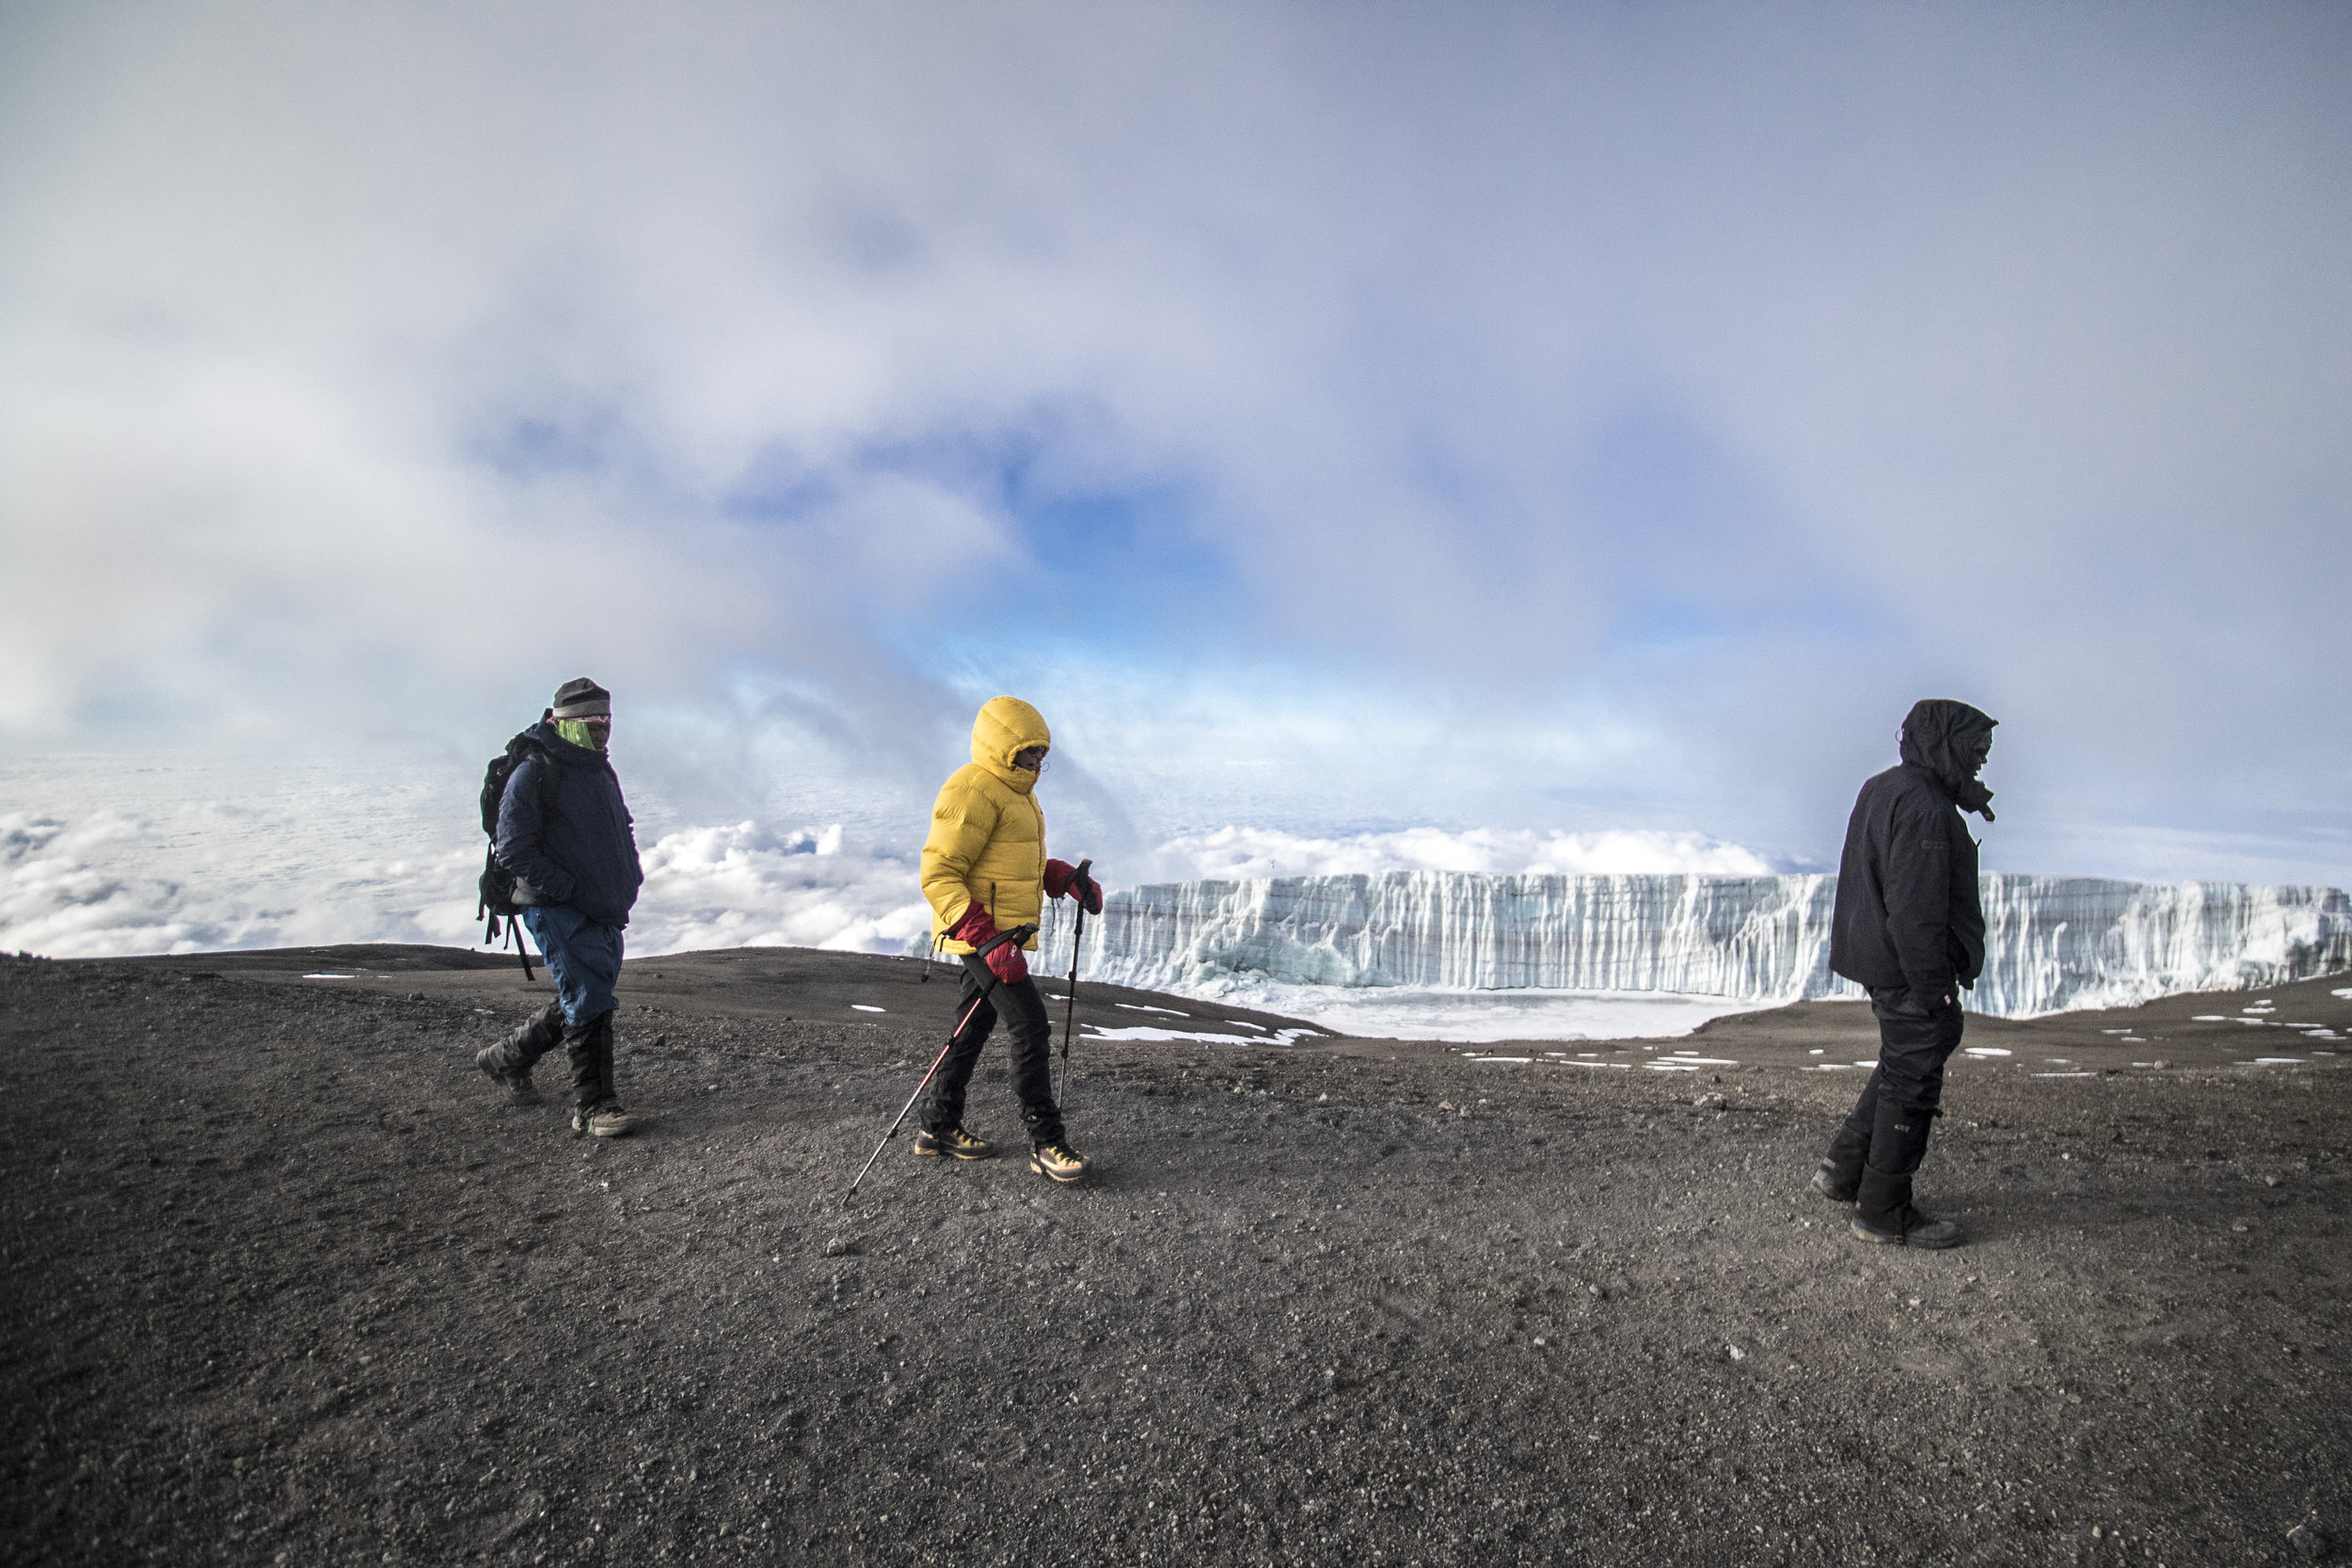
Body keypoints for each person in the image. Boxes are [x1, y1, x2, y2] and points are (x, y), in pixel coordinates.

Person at [1813, 698, 2000, 1248]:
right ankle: (1883, 1209)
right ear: (1945, 743)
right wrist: (1934, 989)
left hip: (1878, 955)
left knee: (1905, 1059)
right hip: (1905, 964)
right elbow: (1916, 911)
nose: (1980, 762)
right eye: (1974, 749)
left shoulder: (1887, 787)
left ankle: (1844, 1167)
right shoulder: (1926, 809)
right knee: (1915, 1071)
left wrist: (1961, 795)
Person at [914, 696, 1102, 1182]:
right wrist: (988, 940)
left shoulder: (1018, 793)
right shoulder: (972, 788)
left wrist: (1061, 878)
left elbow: (1015, 862)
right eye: (1028, 750)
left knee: (972, 1028)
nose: (1039, 760)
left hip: (1000, 935)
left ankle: (937, 1127)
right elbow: (939, 874)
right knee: (1031, 1025)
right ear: (1002, 747)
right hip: (982, 935)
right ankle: (1046, 1141)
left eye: (1042, 751)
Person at [473, 677, 645, 1137]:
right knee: (589, 996)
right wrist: (565, 888)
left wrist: (630, 873)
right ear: (561, 722)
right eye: (591, 723)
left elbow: (620, 825)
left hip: (601, 902)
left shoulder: (597, 768)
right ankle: (594, 1108)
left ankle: (505, 1058)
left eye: (606, 722)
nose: (601, 732)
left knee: (584, 991)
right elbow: (514, 849)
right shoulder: (535, 771)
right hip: (556, 906)